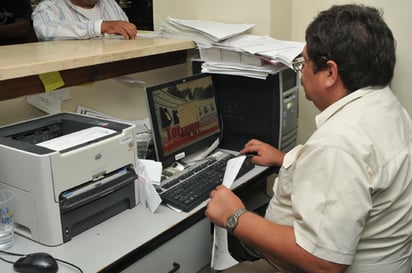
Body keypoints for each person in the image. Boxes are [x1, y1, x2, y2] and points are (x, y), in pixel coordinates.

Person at [206, 4, 412, 273]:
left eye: (303, 63)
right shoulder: (387, 107)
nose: (300, 73)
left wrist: (235, 217)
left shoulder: (339, 142)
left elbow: (323, 264)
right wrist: (286, 159)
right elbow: (361, 172)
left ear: (330, 73)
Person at [32, 0, 137, 41]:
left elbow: (126, 33)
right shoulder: (48, 7)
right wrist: (99, 26)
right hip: (71, 79)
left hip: (116, 76)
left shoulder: (110, 3)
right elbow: (48, 31)